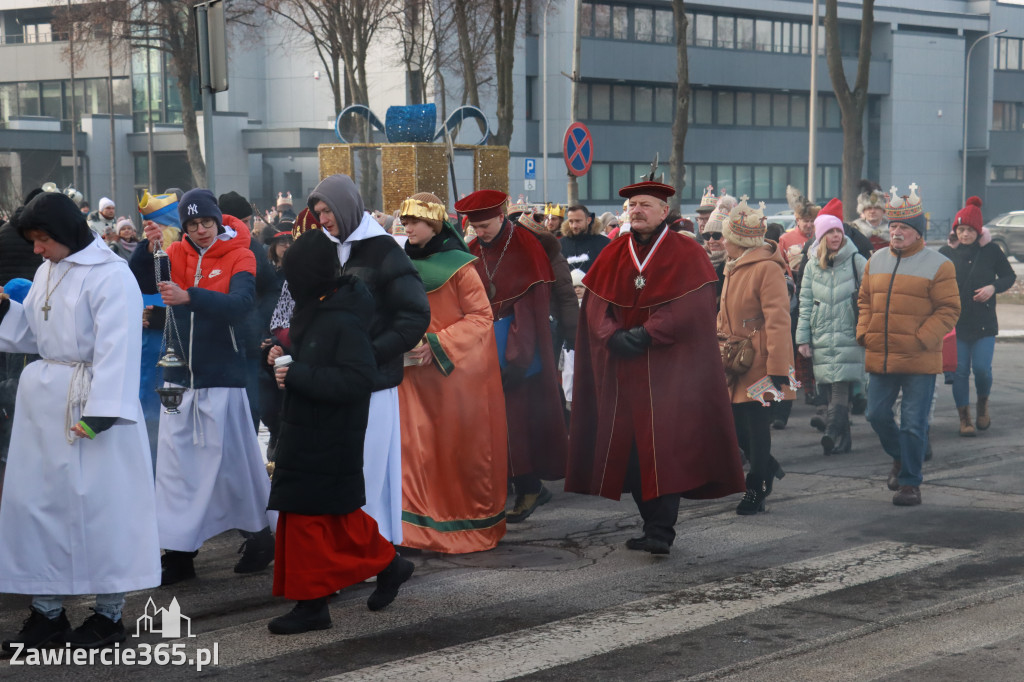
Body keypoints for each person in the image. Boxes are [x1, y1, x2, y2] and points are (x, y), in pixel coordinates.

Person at [0, 191, 160, 651]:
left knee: (102, 508)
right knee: (39, 507)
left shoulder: (112, 276)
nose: (36, 249)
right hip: (43, 406)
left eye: (42, 239)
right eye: (32, 240)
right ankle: (46, 614)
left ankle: (108, 616)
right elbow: (33, 331)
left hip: (89, 407)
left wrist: (103, 412)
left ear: (68, 233)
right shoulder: (49, 268)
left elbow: (118, 346)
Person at [567, 180, 744, 554]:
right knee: (630, 454)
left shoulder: (686, 252)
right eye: (632, 205)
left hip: (669, 369)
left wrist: (647, 334)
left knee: (665, 450)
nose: (636, 210)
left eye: (645, 205)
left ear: (665, 211)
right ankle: (651, 525)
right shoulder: (614, 251)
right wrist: (611, 335)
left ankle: (662, 530)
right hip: (624, 371)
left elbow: (692, 306)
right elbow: (596, 303)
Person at [266, 230, 414, 635]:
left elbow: (356, 378)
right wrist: (283, 358)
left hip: (329, 431)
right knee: (336, 516)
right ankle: (389, 565)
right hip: (311, 426)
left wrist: (298, 373)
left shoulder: (341, 316)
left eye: (292, 273)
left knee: (308, 518)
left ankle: (312, 605)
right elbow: (318, 360)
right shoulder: (320, 306)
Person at [130, 189, 275, 584]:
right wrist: (149, 247)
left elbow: (241, 304)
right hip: (178, 377)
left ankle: (262, 536)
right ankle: (179, 554)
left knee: (235, 468)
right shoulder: (175, 253)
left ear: (217, 220)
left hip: (222, 377)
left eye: (206, 222)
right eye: (191, 224)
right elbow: (143, 279)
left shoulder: (241, 254)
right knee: (177, 470)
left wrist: (188, 296)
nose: (200, 230)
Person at [303, 174, 431, 545]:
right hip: (330, 382)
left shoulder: (384, 250)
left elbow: (413, 315)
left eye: (328, 210)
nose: (323, 219)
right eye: (318, 212)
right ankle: (345, 551)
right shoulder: (323, 250)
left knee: (367, 473)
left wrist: (370, 353)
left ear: (347, 207)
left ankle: (369, 549)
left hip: (371, 383)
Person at [395, 193, 507, 553]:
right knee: (414, 450)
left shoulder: (461, 267)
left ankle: (459, 527)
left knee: (451, 451)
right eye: (405, 220)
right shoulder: (399, 261)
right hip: (410, 373)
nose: (408, 227)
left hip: (452, 375)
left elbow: (481, 317)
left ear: (434, 224)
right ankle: (412, 529)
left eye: (415, 221)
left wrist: (437, 344)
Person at [458, 189, 568, 523]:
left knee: (519, 425)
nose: (481, 232)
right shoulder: (472, 251)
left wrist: (518, 358)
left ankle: (530, 488)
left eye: (486, 225)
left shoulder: (524, 245)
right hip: (483, 352)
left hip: (520, 353)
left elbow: (530, 309)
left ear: (502, 215)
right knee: (490, 428)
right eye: (475, 227)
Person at [858, 184, 960, 506]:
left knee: (915, 424)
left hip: (919, 358)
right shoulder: (875, 260)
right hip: (882, 354)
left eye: (903, 227)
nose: (896, 232)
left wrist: (922, 338)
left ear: (917, 232)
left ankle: (910, 483)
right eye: (893, 226)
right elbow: (863, 301)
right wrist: (865, 331)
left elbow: (950, 309)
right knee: (876, 415)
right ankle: (901, 457)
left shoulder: (939, 264)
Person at [718, 197, 795, 515]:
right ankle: (768, 467)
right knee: (735, 426)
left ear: (736, 240)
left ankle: (757, 487)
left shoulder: (766, 268)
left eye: (724, 236)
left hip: (760, 360)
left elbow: (778, 320)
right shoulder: (733, 265)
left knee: (756, 425)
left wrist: (780, 369)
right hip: (735, 359)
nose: (720, 242)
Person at [938, 196, 1015, 436]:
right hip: (956, 324)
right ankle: (964, 418)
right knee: (960, 371)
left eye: (969, 230)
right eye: (960, 229)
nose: (964, 235)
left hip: (984, 323)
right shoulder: (945, 253)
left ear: (978, 230)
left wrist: (993, 287)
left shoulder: (991, 251)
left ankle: (983, 404)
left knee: (982, 369)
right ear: (955, 231)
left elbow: (1009, 276)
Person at [796, 205, 868, 456]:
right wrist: (803, 339)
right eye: (831, 232)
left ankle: (830, 433)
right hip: (822, 334)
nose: (836, 235)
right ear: (821, 237)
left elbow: (871, 295)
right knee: (827, 388)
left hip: (850, 333)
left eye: (839, 230)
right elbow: (805, 304)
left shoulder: (858, 260)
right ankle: (843, 441)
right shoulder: (813, 265)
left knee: (840, 387)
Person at [701, 194, 736, 308]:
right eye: (707, 236)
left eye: (717, 235)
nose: (711, 241)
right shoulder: (698, 260)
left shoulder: (735, 263)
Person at [559, 204, 610, 273]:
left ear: (588, 220)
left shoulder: (605, 244)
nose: (574, 226)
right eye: (571, 221)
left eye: (578, 221)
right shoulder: (559, 245)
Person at [852, 180, 890, 251]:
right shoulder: (854, 230)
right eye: (869, 208)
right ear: (863, 211)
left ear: (883, 210)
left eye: (876, 208)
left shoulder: (892, 229)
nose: (872, 211)